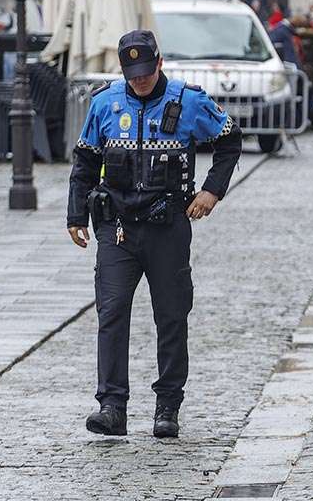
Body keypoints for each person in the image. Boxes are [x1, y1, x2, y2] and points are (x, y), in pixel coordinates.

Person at [66, 30, 242, 438]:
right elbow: (85, 162)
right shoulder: (105, 103)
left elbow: (229, 140)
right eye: (132, 74)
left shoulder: (189, 101)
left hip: (168, 226)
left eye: (146, 71)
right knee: (111, 313)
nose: (140, 80)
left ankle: (168, 407)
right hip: (118, 227)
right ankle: (112, 407)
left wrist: (211, 191)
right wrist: (76, 215)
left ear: (159, 63)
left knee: (171, 315)